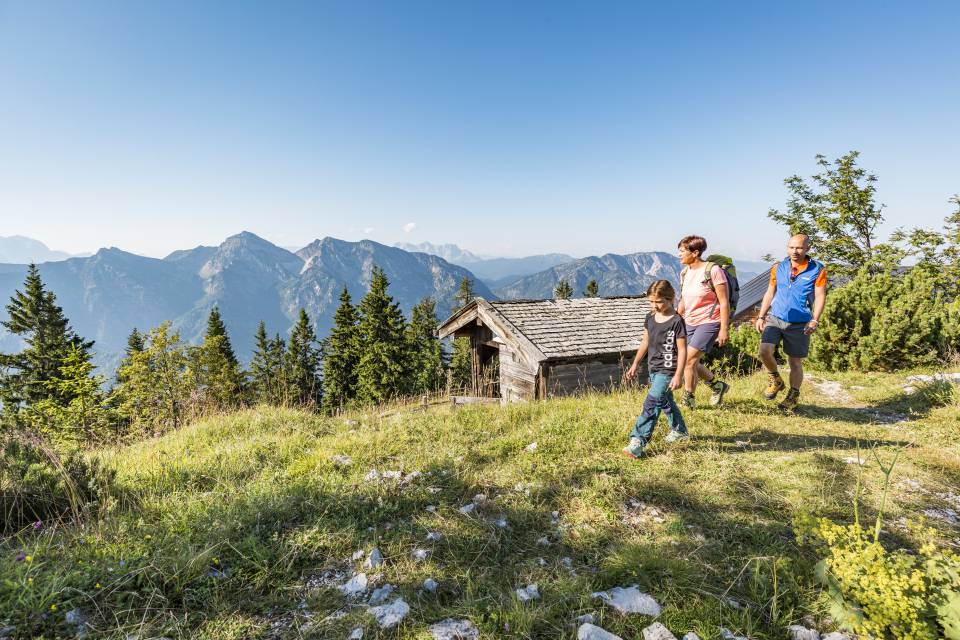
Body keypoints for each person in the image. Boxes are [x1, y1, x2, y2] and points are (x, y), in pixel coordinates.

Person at [754, 233, 828, 411]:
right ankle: (776, 380)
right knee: (764, 351)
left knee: (794, 361)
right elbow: (770, 292)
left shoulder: (817, 269)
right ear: (787, 248)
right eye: (792, 247)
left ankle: (793, 395)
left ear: (807, 248)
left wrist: (814, 320)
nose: (795, 251)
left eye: (800, 248)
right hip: (776, 317)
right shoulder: (778, 267)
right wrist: (761, 316)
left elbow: (820, 296)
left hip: (800, 323)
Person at [623, 280, 688, 458]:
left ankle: (638, 441)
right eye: (651, 301)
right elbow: (645, 342)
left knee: (651, 403)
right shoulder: (650, 318)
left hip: (668, 370)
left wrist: (678, 374)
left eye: (659, 302)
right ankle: (680, 430)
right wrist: (636, 363)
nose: (655, 305)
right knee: (665, 402)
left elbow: (682, 349)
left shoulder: (676, 321)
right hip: (653, 367)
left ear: (670, 298)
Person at [675, 235, 731, 409]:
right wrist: (675, 319)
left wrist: (724, 329)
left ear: (695, 252)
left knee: (689, 361)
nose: (679, 255)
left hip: (710, 321)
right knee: (690, 361)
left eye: (682, 251)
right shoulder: (685, 272)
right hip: (689, 322)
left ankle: (688, 399)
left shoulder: (713, 270)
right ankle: (717, 385)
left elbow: (724, 302)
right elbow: (684, 300)